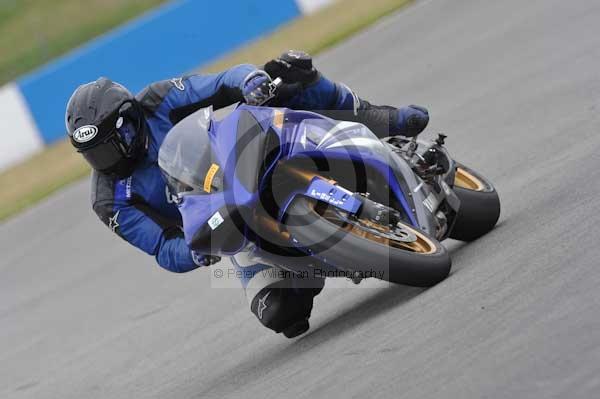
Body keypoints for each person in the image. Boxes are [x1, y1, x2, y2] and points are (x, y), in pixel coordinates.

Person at [65, 50, 429, 338]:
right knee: (281, 315)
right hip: (231, 223)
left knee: (288, 74)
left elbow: (220, 82)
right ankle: (323, 257)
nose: (107, 159)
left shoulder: (158, 100)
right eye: (95, 154)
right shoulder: (109, 199)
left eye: (111, 145)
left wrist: (250, 80)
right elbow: (162, 248)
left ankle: (381, 119)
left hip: (243, 151)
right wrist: (197, 250)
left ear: (129, 121)